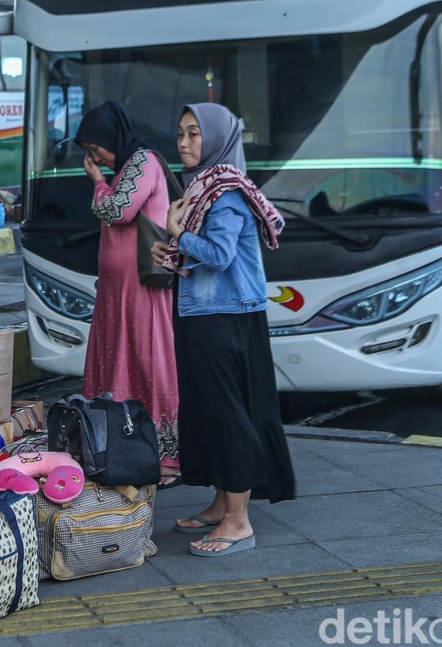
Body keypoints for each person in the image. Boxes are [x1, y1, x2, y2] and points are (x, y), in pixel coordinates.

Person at [153, 102, 296, 557]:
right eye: (180, 133)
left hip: (226, 318)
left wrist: (177, 235)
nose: (184, 142)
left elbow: (218, 254)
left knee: (229, 414)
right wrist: (173, 251)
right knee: (209, 412)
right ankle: (221, 503)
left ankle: (239, 521)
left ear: (217, 139)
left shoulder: (227, 191)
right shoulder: (203, 188)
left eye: (195, 134)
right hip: (207, 314)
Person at [76, 101, 181, 488]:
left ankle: (168, 457)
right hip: (118, 290)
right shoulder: (125, 166)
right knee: (119, 361)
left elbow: (118, 210)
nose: (93, 156)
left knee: (148, 361)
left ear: (111, 138)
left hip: (140, 286)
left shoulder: (143, 161)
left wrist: (98, 181)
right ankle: (122, 446)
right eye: (88, 151)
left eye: (95, 148)